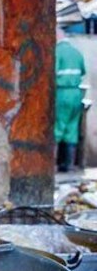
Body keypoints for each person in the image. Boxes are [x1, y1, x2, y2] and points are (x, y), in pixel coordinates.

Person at [56, 26, 86, 172]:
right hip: (76, 94)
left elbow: (52, 74)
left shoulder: (57, 52)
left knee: (57, 128)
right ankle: (68, 165)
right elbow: (83, 72)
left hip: (61, 93)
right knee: (72, 129)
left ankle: (53, 166)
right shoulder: (77, 52)